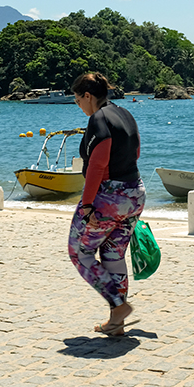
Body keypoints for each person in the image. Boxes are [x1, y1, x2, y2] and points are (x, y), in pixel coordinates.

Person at [68, 72, 145, 337]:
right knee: (113, 255)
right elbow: (135, 153)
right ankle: (116, 323)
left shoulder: (98, 118)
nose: (79, 106)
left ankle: (118, 305)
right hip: (135, 193)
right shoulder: (124, 113)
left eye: (78, 100)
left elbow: (99, 163)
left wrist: (88, 204)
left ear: (88, 96)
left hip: (109, 197)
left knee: (80, 252)